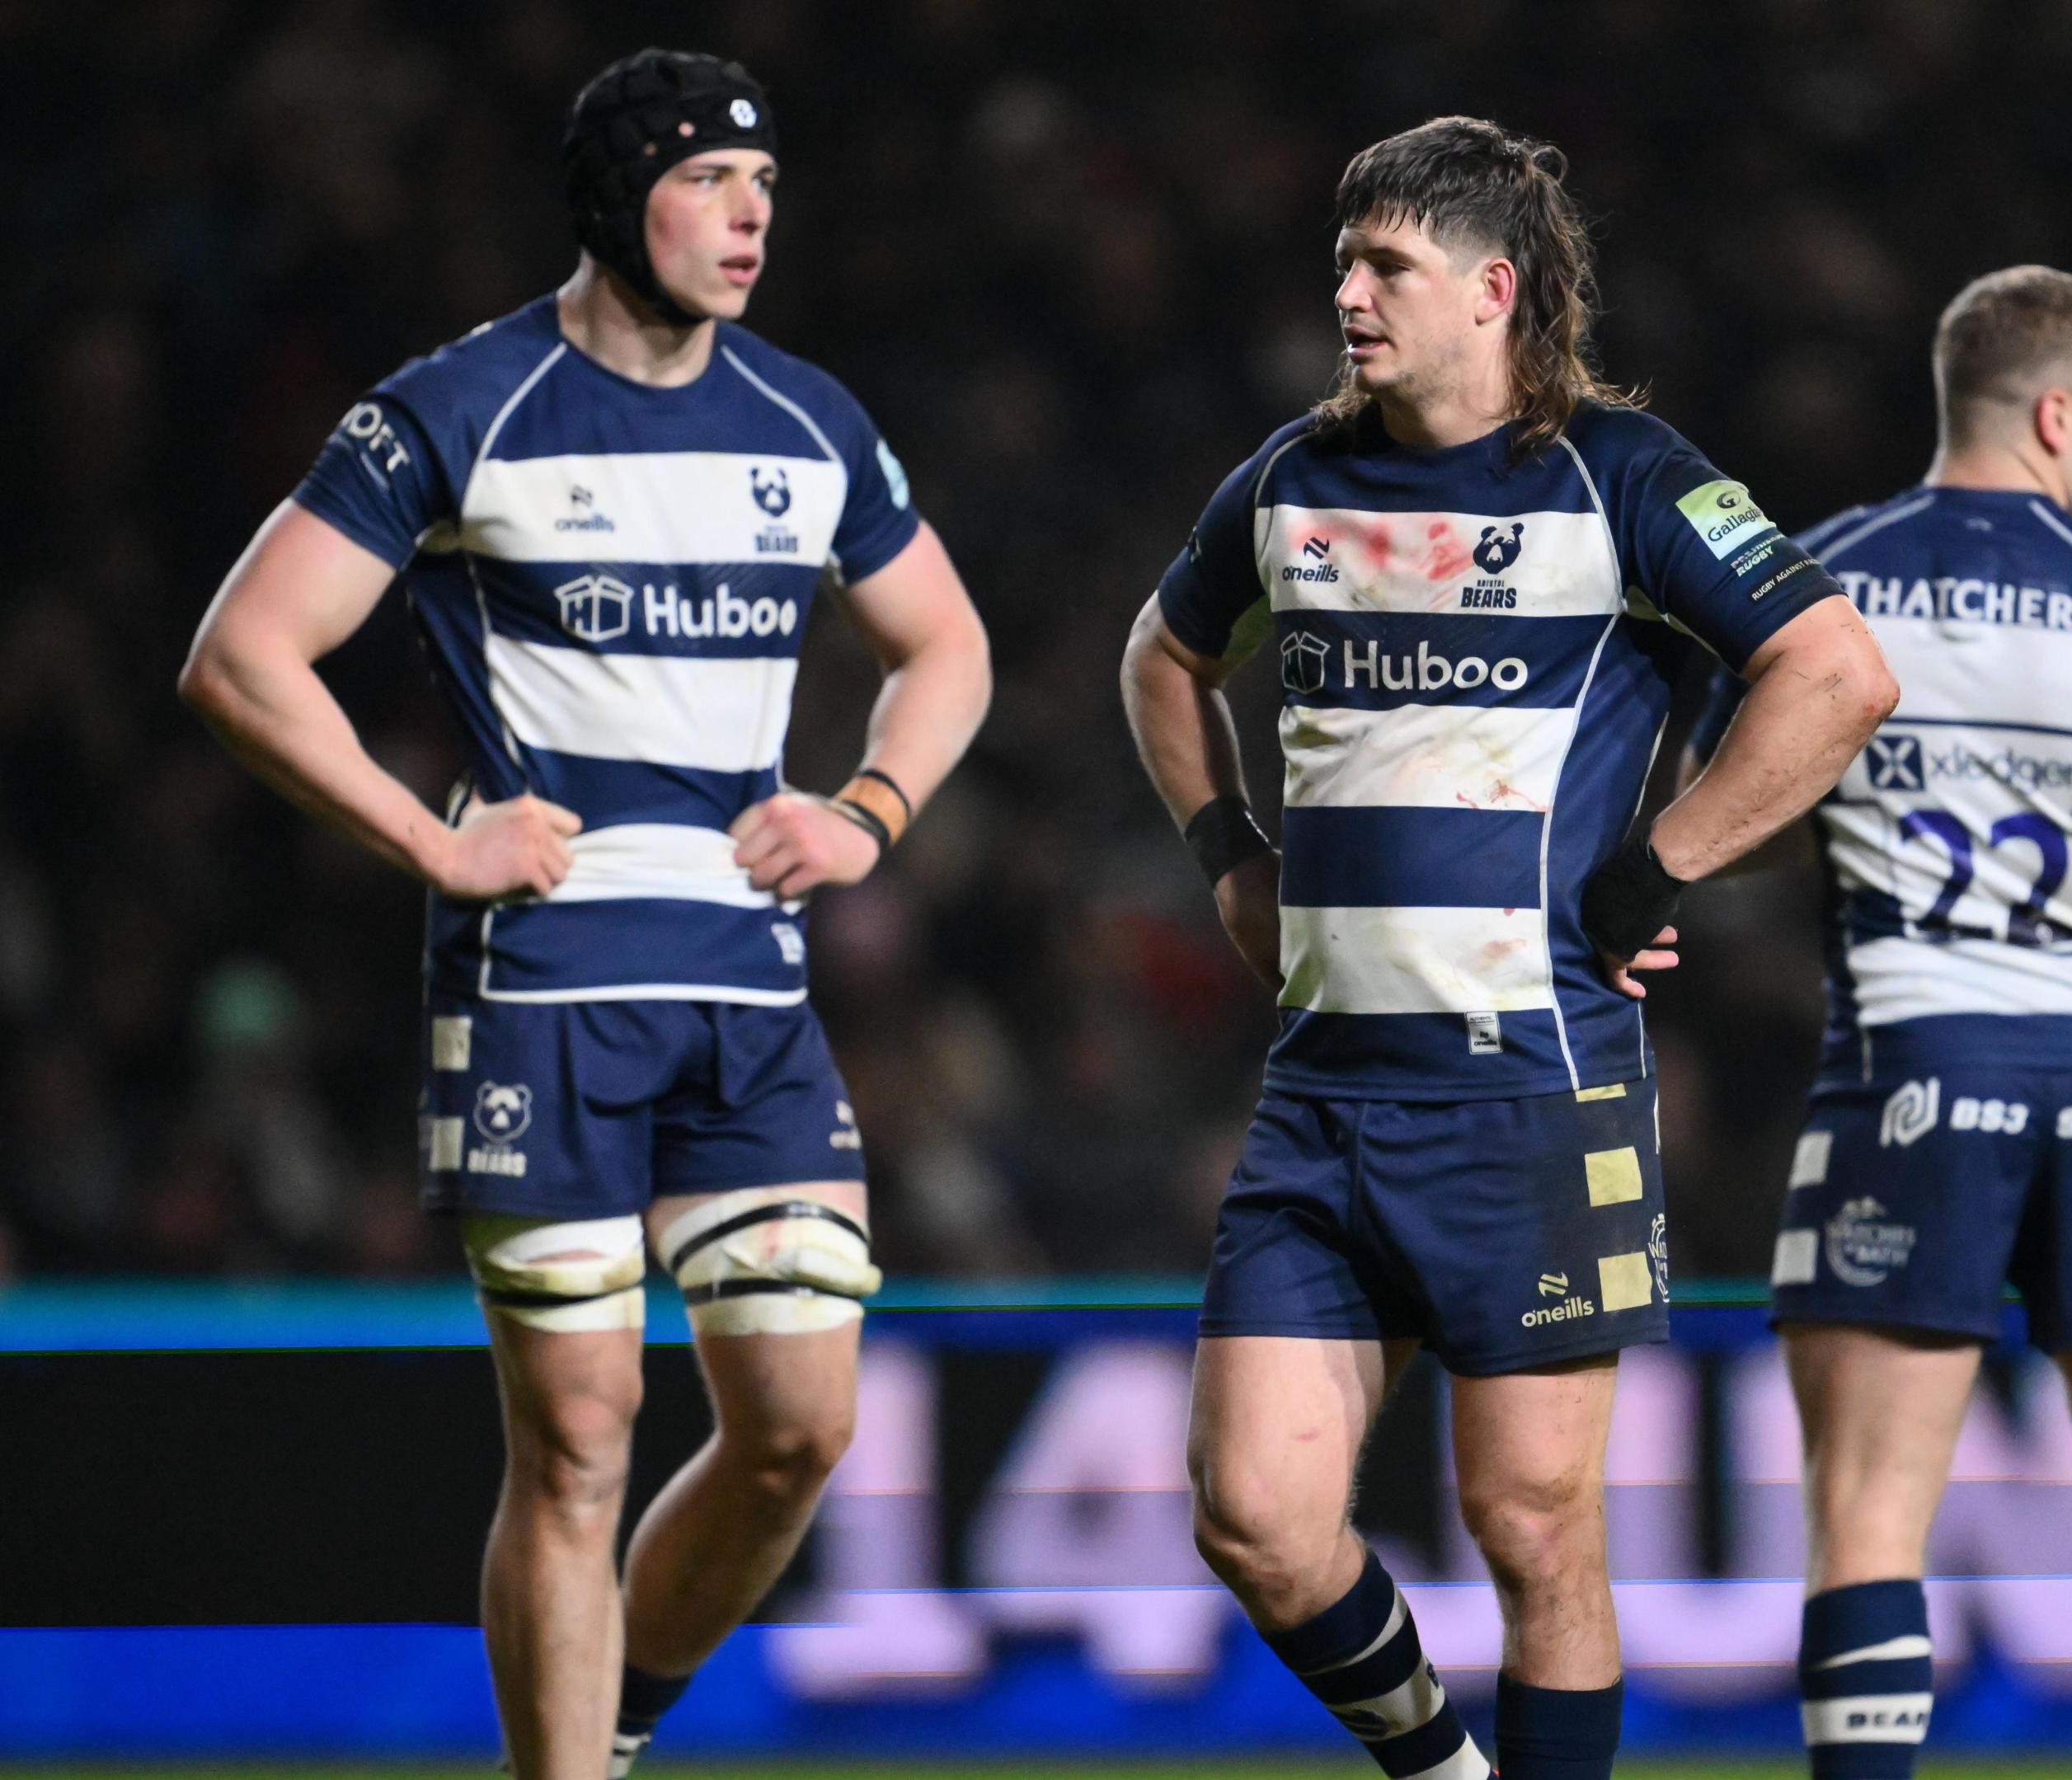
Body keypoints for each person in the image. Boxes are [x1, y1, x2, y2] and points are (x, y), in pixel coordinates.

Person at [176, 49, 990, 1780]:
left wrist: (867, 813)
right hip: (543, 989)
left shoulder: (806, 422)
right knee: (579, 1442)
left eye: (764, 185)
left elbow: (949, 645)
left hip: (748, 997)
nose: (752, 214)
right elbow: (244, 655)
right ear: (621, 199)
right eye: (709, 181)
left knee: (799, 1431)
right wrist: (430, 840)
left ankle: (603, 1721)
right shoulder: (459, 408)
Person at [1120, 116, 1896, 1780]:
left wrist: (1654, 872)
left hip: (1528, 1090)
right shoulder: (1290, 480)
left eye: (1386, 263)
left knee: (1535, 1535)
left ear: (1495, 288)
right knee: (1254, 1519)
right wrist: (1227, 857)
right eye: (1343, 259)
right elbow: (1161, 661)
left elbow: (1837, 674)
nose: (1348, 292)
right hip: (1321, 1093)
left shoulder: (1623, 477)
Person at [1685, 266, 2072, 1780]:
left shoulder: (1829, 582)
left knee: (1866, 1513)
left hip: (1918, 1068)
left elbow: (1724, 813)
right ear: (2053, 414)